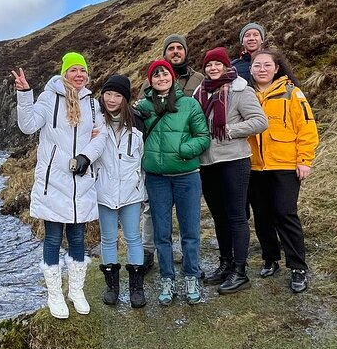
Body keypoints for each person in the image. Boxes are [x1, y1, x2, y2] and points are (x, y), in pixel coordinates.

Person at [12, 52, 107, 319]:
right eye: (74, 69)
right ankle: (54, 294)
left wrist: (86, 157)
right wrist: (24, 93)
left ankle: (76, 290)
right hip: (54, 181)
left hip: (81, 180)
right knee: (53, 238)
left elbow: (101, 136)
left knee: (78, 237)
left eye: (83, 70)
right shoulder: (48, 98)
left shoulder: (91, 104)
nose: (79, 74)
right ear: (64, 73)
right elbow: (28, 125)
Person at [193, 47, 267, 294]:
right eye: (209, 65)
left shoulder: (240, 90)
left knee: (236, 216)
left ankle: (240, 271)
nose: (213, 69)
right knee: (219, 216)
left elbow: (260, 121)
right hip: (207, 163)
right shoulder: (199, 93)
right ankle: (225, 264)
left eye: (217, 64)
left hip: (234, 160)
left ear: (226, 66)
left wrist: (230, 131)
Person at [136, 60, 210, 305]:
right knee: (162, 233)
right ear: (151, 80)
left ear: (172, 77)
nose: (161, 78)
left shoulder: (189, 104)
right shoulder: (143, 107)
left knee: (190, 231)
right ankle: (167, 277)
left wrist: (183, 150)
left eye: (164, 73)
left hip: (187, 177)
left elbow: (202, 136)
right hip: (156, 179)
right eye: (155, 75)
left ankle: (190, 275)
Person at [248, 49, 319, 293]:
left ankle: (298, 267)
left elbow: (307, 128)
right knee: (262, 215)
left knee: (285, 213)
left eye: (267, 65)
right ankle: (270, 259)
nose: (262, 69)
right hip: (254, 166)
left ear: (276, 68)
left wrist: (305, 160)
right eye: (257, 65)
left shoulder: (292, 93)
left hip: (285, 165)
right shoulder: (246, 94)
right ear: (251, 69)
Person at [139, 34, 205, 272]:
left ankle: (191, 267)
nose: (176, 51)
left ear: (185, 51)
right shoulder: (149, 88)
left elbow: (201, 130)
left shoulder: (199, 79)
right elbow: (140, 120)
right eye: (171, 48)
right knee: (154, 215)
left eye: (180, 48)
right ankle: (150, 255)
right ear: (165, 53)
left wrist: (184, 150)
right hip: (158, 169)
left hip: (186, 165)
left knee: (190, 221)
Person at [93, 75, 148, 308]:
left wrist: (140, 186)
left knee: (133, 237)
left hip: (131, 193)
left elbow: (143, 159)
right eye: (108, 94)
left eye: (118, 95)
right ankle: (112, 287)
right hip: (103, 192)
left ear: (125, 99)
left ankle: (137, 288)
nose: (112, 99)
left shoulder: (137, 126)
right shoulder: (94, 125)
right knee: (107, 239)